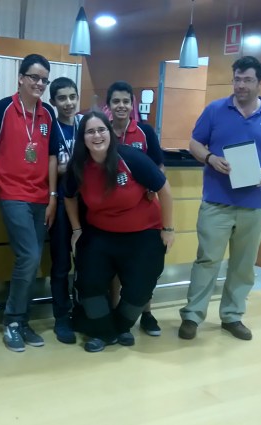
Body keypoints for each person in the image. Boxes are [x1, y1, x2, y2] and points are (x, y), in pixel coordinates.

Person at [178, 55, 261, 341]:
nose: (241, 85)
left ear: (260, 83)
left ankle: (232, 316)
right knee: (207, 261)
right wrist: (210, 158)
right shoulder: (215, 110)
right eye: (237, 79)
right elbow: (194, 143)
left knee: (243, 265)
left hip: (255, 205)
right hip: (216, 202)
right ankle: (192, 315)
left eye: (247, 80)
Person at [0, 53, 61, 353]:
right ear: (20, 78)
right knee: (29, 256)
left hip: (41, 197)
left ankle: (23, 320)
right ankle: (13, 321)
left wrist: (53, 197)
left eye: (44, 80)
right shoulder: (4, 108)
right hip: (13, 195)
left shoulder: (47, 114)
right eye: (34, 77)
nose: (39, 84)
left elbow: (52, 156)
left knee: (33, 259)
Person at [64, 111, 175, 353]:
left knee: (140, 288)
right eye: (90, 132)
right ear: (83, 138)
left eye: (101, 130)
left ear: (109, 133)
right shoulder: (79, 166)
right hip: (101, 233)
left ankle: (120, 327)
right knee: (88, 281)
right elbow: (68, 196)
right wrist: (76, 229)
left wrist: (168, 229)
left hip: (144, 233)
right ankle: (103, 332)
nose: (97, 136)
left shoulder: (130, 158)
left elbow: (164, 189)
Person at [105, 81, 164, 339]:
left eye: (126, 101)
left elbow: (159, 166)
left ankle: (146, 313)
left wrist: (153, 186)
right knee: (115, 269)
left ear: (132, 105)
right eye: (116, 101)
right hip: (112, 213)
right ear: (109, 105)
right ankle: (117, 315)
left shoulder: (145, 131)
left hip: (144, 212)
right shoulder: (102, 131)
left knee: (143, 268)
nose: (121, 106)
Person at [47, 77, 81, 344]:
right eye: (62, 98)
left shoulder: (86, 126)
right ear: (53, 102)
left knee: (87, 260)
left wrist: (65, 167)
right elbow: (45, 167)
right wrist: (67, 167)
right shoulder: (49, 129)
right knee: (60, 263)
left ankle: (84, 311)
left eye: (72, 97)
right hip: (59, 203)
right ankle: (61, 316)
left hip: (87, 204)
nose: (68, 103)